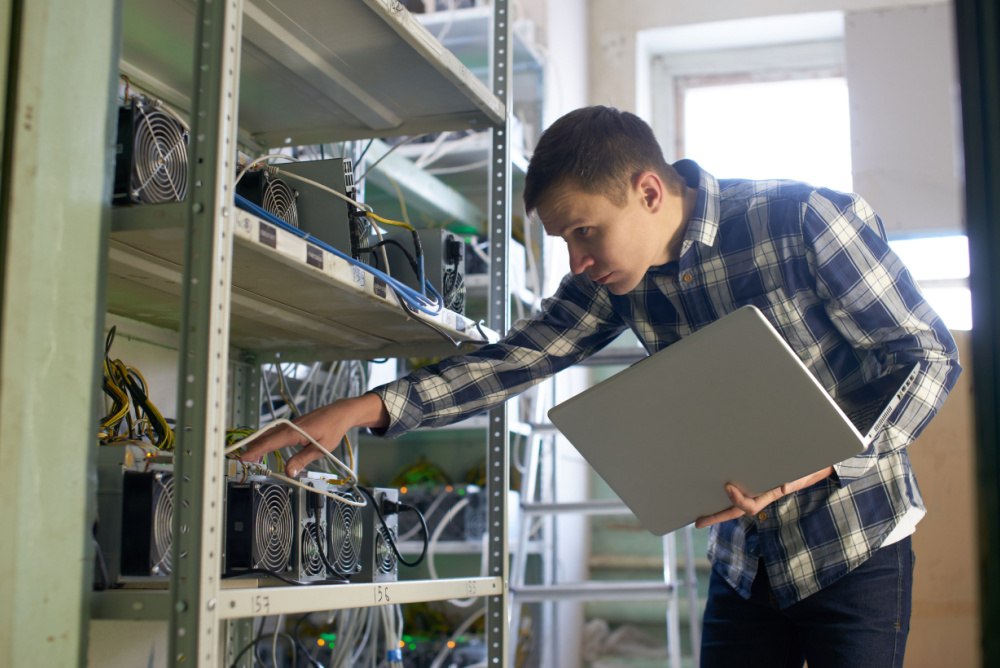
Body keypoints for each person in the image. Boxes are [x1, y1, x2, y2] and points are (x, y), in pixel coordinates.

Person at [240, 105, 962, 667]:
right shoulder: (616, 279)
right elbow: (519, 357)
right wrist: (364, 409)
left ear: (649, 191)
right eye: (563, 243)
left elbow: (928, 356)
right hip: (747, 562)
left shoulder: (804, 220)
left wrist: (821, 457)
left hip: (855, 543)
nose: (577, 260)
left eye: (585, 232)